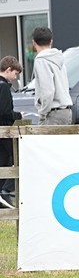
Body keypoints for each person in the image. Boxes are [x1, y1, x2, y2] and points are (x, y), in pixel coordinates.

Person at [31, 26, 73, 125]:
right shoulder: (59, 58)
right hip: (66, 111)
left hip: (52, 113)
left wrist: (42, 112)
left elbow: (48, 90)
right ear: (51, 41)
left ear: (33, 42)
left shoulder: (41, 60)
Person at [0, 56, 22, 206]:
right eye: (15, 74)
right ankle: (6, 190)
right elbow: (5, 111)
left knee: (3, 160)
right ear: (8, 70)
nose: (15, 78)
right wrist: (19, 115)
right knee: (16, 157)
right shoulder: (4, 87)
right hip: (5, 129)